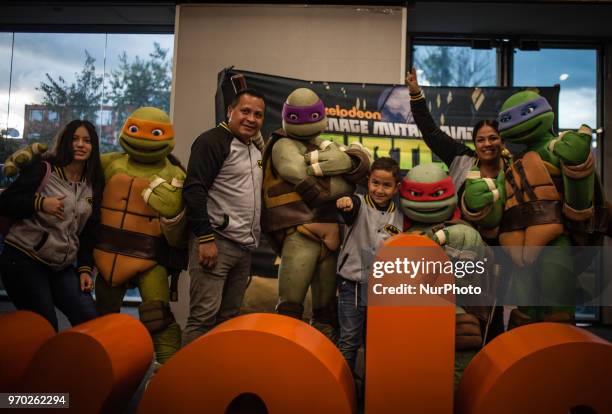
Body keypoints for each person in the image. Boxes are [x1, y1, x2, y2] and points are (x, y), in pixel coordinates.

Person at [0, 120, 103, 331]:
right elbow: (6, 202)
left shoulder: (93, 183)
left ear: (93, 147)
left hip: (60, 267)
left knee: (90, 319)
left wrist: (84, 269)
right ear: (66, 142)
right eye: (75, 139)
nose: (80, 145)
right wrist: (39, 203)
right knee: (45, 327)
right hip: (24, 259)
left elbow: (88, 233)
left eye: (87, 140)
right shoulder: (43, 170)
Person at [182, 88, 265, 346]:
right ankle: (188, 384)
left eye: (258, 114)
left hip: (243, 249)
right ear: (230, 111)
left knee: (229, 319)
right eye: (245, 111)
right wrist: (205, 239)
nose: (251, 119)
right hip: (216, 244)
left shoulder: (254, 148)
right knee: (202, 319)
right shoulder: (212, 141)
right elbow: (194, 191)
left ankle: (215, 381)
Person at [336, 157, 403, 373]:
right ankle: (341, 394)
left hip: (383, 291)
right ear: (368, 181)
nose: (379, 190)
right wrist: (345, 203)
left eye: (386, 185)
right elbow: (349, 205)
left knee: (377, 344)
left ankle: (371, 395)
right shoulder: (358, 203)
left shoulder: (401, 215)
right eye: (375, 183)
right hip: (352, 285)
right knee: (349, 341)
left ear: (396, 188)